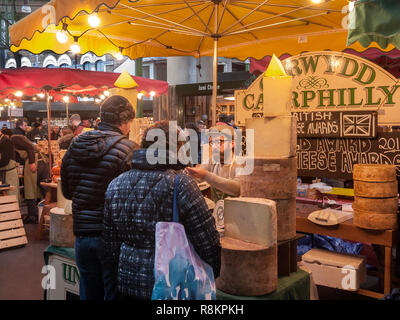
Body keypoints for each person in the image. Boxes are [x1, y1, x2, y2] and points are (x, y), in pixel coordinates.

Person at [103, 120, 221, 300]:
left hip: (127, 283)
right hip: (171, 283)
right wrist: (213, 268)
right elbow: (207, 239)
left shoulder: (115, 184)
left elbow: (110, 245)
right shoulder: (180, 183)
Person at [61, 95, 138, 300]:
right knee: (112, 292)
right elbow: (132, 200)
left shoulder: (75, 144)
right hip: (111, 237)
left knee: (87, 290)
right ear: (125, 121)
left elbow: (67, 191)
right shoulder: (129, 149)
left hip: (82, 234)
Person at [185, 124, 241, 201]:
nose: (214, 146)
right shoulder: (211, 162)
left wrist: (206, 175)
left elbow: (237, 189)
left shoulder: (240, 164)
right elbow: (197, 178)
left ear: (232, 144)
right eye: (212, 142)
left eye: (219, 141)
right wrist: (190, 175)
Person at [8, 125, 41, 224]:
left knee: (30, 188)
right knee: (36, 187)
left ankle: (32, 216)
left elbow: (30, 148)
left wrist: (31, 163)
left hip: (33, 160)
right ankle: (36, 213)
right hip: (35, 159)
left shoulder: (14, 138)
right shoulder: (17, 139)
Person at [0, 129, 20, 202]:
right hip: (3, 173)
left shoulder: (5, 141)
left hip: (9, 174)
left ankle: (13, 213)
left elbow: (5, 160)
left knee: (11, 197)